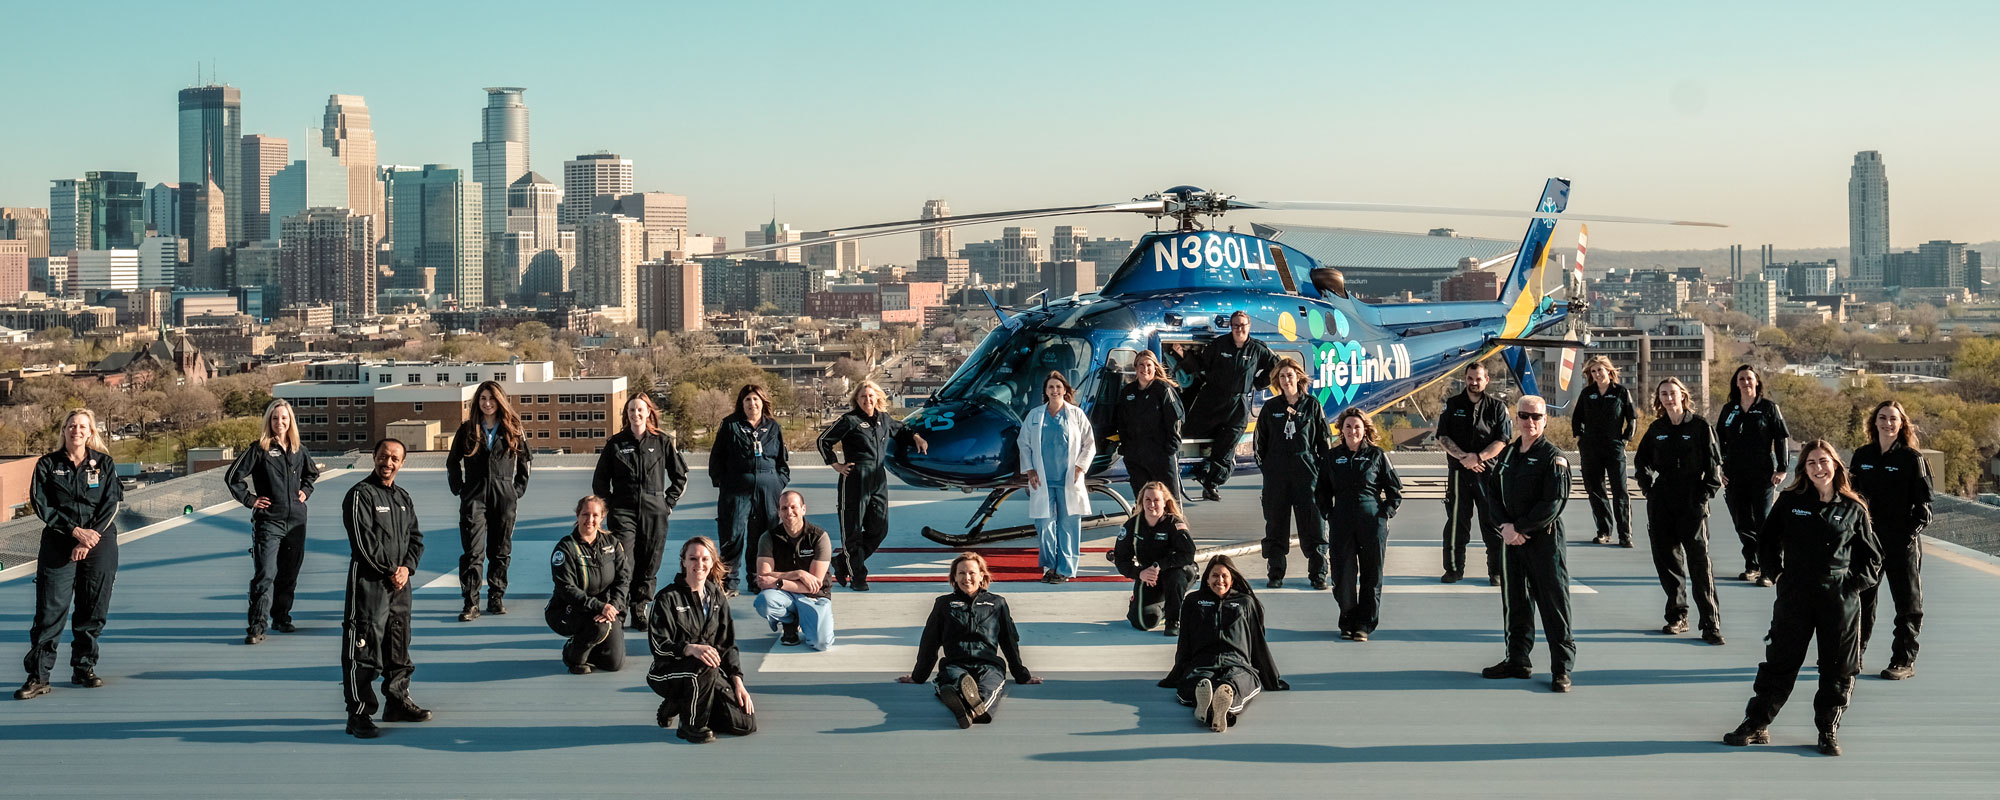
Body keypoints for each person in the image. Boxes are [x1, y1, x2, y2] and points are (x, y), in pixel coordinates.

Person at [1723, 440, 1883, 757]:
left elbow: (1873, 558)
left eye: (1823, 461)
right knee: (1780, 662)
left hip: (1838, 597)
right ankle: (1756, 724)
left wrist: (1852, 585)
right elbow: (1766, 541)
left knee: (1837, 667)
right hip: (1795, 593)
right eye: (1811, 463)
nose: (1818, 467)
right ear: (1803, 469)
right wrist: (1777, 574)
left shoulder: (1853, 507)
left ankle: (1828, 729)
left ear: (1836, 465)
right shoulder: (1791, 502)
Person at [17, 409, 121, 701]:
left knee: (93, 607)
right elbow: (42, 505)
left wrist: (89, 539)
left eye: (82, 426)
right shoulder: (47, 465)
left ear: (91, 433)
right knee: (50, 612)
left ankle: (83, 667)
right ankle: (38, 676)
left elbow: (111, 504)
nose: (77, 430)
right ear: (64, 431)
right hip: (59, 542)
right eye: (71, 426)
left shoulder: (104, 464)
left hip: (99, 542)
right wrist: (76, 532)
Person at [1478, 395, 1575, 693]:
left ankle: (1561, 669)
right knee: (1515, 603)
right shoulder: (1507, 456)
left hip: (1543, 543)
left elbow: (1553, 503)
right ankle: (1517, 659)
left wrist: (1518, 528)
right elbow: (1492, 495)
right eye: (1524, 416)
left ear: (1545, 420)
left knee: (1553, 605)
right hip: (1511, 542)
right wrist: (1505, 528)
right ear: (1516, 418)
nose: (1529, 422)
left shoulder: (1553, 457)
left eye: (1536, 417)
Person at [340, 438, 431, 739]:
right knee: (363, 649)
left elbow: (415, 539)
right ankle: (359, 715)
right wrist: (391, 570)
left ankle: (397, 701)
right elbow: (364, 543)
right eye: (383, 456)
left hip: (400, 587)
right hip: (370, 586)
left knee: (398, 644)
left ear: (402, 463)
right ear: (374, 458)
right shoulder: (360, 495)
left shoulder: (403, 497)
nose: (387, 463)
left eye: (394, 458)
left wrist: (407, 568)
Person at [897, 552, 1041, 728]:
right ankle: (964, 699)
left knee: (990, 687)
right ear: (954, 578)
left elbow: (1008, 641)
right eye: (961, 573)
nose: (967, 578)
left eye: (972, 573)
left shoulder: (997, 603)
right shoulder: (943, 604)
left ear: (982, 575)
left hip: (988, 665)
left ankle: (969, 711)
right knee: (955, 680)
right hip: (955, 664)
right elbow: (930, 641)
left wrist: (1021, 675)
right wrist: (918, 676)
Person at [1633, 378, 1725, 644]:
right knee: (1668, 562)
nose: (1668, 397)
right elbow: (1642, 462)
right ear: (1659, 399)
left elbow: (1714, 466)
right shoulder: (1657, 429)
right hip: (1662, 500)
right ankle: (1677, 616)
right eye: (1663, 394)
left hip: (1691, 500)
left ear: (1683, 396)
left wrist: (1704, 494)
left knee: (1699, 563)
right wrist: (1647, 487)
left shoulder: (1699, 426)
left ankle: (1710, 623)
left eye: (1673, 393)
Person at [224, 399, 320, 645]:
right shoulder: (259, 449)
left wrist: (305, 492)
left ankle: (281, 617)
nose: (280, 422)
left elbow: (312, 473)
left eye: (284, 418)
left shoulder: (300, 450)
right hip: (269, 522)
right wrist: (250, 499)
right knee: (265, 573)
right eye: (275, 418)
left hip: (296, 521)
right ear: (269, 421)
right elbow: (233, 476)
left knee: (289, 573)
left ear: (291, 421)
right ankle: (257, 625)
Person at [816, 380, 927, 592]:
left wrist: (916, 436)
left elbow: (900, 428)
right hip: (855, 477)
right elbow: (824, 440)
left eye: (870, 396)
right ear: (856, 400)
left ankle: (842, 561)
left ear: (877, 397)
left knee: (880, 529)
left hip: (878, 478)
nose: (867, 400)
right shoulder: (849, 420)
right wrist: (835, 464)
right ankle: (858, 575)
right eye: (862, 397)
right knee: (853, 530)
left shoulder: (884, 420)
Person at [1159, 554, 1289, 732]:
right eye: (1214, 575)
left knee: (1235, 682)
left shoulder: (1245, 602)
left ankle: (1219, 698)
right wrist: (1179, 672)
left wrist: (1271, 677)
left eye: (1224, 576)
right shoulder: (1193, 601)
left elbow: (1257, 642)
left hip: (1237, 664)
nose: (1219, 580)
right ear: (1207, 578)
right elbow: (1185, 642)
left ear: (1232, 578)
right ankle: (1214, 702)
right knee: (1197, 682)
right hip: (1203, 663)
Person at [1850, 399, 1932, 680]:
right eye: (1882, 418)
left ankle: (1903, 661)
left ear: (1901, 423)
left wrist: (1906, 538)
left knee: (1907, 604)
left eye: (1893, 419)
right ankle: (1852, 655)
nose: (1887, 423)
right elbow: (1851, 500)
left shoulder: (1912, 459)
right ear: (1874, 422)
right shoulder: (1862, 456)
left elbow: (1924, 510)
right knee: (1861, 600)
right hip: (1868, 542)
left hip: (1902, 544)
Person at [647, 537, 757, 744]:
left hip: (708, 672)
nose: (699, 564)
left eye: (705, 559)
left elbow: (727, 644)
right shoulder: (667, 598)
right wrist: (689, 649)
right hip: (668, 672)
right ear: (683, 562)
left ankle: (679, 703)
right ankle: (690, 726)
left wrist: (737, 682)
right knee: (704, 665)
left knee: (744, 723)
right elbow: (659, 647)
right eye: (693, 558)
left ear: (712, 562)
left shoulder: (716, 596)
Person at [593, 394, 689, 629]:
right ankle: (622, 607)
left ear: (648, 413)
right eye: (631, 410)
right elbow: (600, 481)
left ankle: (640, 607)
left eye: (640, 410)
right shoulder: (616, 444)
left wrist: (668, 503)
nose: (635, 414)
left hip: (655, 511)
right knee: (625, 560)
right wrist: (611, 505)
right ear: (626, 415)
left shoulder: (662, 442)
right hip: (623, 510)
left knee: (649, 561)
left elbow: (680, 476)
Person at [447, 381, 533, 621]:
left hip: (504, 496)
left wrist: (516, 490)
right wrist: (459, 489)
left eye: (492, 399)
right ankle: (471, 602)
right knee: (473, 552)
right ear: (477, 401)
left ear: (500, 401)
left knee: (500, 550)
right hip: (474, 496)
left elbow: (526, 461)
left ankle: (496, 596)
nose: (487, 403)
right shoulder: (466, 430)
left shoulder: (513, 429)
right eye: (483, 398)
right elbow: (452, 462)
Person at [1318, 407, 1403, 642]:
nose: (1353, 430)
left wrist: (1385, 514)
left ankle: (1364, 624)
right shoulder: (1332, 457)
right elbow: (1321, 491)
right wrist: (1329, 514)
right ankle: (1347, 619)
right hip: (1342, 521)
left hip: (1372, 520)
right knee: (1342, 575)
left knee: (1371, 575)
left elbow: (1395, 491)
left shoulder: (1377, 455)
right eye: (1348, 426)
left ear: (1365, 429)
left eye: (1357, 426)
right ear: (1341, 430)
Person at [1180, 310, 1279, 501]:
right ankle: (1198, 469)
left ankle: (1211, 483)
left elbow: (1276, 366)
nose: (1239, 329)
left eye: (1242, 325)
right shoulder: (1219, 345)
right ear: (1230, 327)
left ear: (1249, 326)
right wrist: (1181, 356)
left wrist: (1259, 383)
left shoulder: (1258, 349)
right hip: (1212, 399)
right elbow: (1202, 365)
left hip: (1238, 404)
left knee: (1227, 447)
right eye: (1235, 325)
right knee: (1190, 433)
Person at [1253, 358, 1331, 589]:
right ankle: (1275, 573)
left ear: (1298, 377)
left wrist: (1322, 472)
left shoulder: (1312, 406)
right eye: (1282, 376)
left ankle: (1318, 574)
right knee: (1275, 525)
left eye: (1290, 375)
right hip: (1277, 477)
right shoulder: (1271, 408)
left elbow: (1324, 443)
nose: (1286, 380)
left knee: (1314, 525)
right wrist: (1268, 469)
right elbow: (1260, 444)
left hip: (1306, 475)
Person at [710, 384, 790, 595]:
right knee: (733, 535)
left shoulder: (773, 427)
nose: (752, 404)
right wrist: (725, 484)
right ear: (741, 403)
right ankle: (730, 582)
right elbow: (716, 458)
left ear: (763, 402)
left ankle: (758, 580)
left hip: (768, 491)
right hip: (736, 490)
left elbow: (782, 461)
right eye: (748, 400)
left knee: (763, 537)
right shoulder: (730, 425)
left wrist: (778, 482)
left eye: (756, 399)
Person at [1437, 362, 1512, 585]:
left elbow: (1503, 440)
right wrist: (1464, 458)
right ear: (1465, 379)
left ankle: (1496, 572)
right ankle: (1453, 569)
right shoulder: (1453, 404)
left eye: (1478, 379)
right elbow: (1443, 436)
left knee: (1492, 523)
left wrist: (1478, 458)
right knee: (1457, 523)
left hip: (1488, 475)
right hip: (1460, 473)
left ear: (1486, 380)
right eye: (1470, 378)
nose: (1474, 383)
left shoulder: (1497, 407)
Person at [1018, 371, 1095, 583]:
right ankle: (1050, 567)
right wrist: (1030, 469)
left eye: (1058, 387)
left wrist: (1080, 466)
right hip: (1042, 479)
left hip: (1068, 479)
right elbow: (1023, 443)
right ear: (1045, 391)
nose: (1054, 391)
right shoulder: (1034, 415)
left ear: (1065, 390)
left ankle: (1065, 570)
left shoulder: (1076, 414)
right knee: (1044, 525)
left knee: (1068, 526)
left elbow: (1089, 444)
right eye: (1051, 387)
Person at [1716, 365, 1790, 586]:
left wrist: (1783, 468)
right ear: (1736, 383)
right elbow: (1718, 441)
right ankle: (1752, 564)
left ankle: (1770, 570)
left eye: (1749, 379)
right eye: (1741, 379)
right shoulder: (1729, 409)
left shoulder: (1769, 408)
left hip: (1763, 475)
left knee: (1764, 522)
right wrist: (1719, 468)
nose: (1746, 382)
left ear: (1757, 382)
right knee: (1742, 522)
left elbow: (1781, 438)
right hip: (1734, 476)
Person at [546, 495, 629, 675]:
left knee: (614, 663)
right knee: (598, 627)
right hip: (571, 609)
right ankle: (572, 654)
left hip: (606, 609)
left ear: (602, 517)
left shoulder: (612, 544)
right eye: (585, 514)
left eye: (595, 515)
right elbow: (567, 589)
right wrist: (599, 606)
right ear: (577, 515)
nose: (590, 520)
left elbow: (623, 579)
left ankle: (592, 645)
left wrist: (613, 606)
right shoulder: (565, 548)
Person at [752, 491, 835, 650]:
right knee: (763, 602)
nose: (789, 512)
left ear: (803, 509)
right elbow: (763, 579)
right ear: (779, 512)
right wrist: (799, 574)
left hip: (814, 597)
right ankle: (790, 622)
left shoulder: (819, 537)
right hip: (784, 594)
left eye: (793, 507)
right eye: (784, 508)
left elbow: (813, 585)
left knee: (821, 643)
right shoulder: (768, 538)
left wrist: (778, 581)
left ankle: (805, 618)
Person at [1113, 481, 1197, 635]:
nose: (1152, 504)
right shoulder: (1132, 526)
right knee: (1143, 622)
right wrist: (1139, 573)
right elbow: (1120, 559)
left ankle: (1174, 619)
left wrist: (1160, 565)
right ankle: (1163, 607)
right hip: (1149, 576)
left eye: (1156, 500)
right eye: (1148, 500)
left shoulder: (1174, 524)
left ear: (1165, 502)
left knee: (1176, 577)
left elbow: (1188, 553)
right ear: (1141, 502)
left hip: (1174, 571)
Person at [1569, 356, 1637, 547]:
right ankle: (1604, 531)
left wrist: (1625, 439)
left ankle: (1625, 534)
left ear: (1609, 371)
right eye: (1593, 371)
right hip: (1591, 449)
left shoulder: (1621, 392)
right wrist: (1581, 438)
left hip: (1614, 447)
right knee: (1596, 491)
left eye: (1600, 370)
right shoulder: (1587, 393)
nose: (1597, 374)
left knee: (1620, 491)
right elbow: (1577, 419)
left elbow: (1632, 418)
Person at [1103, 349, 1184, 502]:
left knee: (1169, 500)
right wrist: (1127, 449)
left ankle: (1174, 526)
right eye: (1141, 365)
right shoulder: (1128, 392)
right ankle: (1145, 525)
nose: (1145, 369)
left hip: (1160, 456)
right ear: (1135, 368)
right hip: (1136, 456)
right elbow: (1122, 422)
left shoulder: (1163, 390)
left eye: (1148, 365)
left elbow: (1176, 419)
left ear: (1155, 367)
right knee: (1143, 500)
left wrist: (1170, 449)